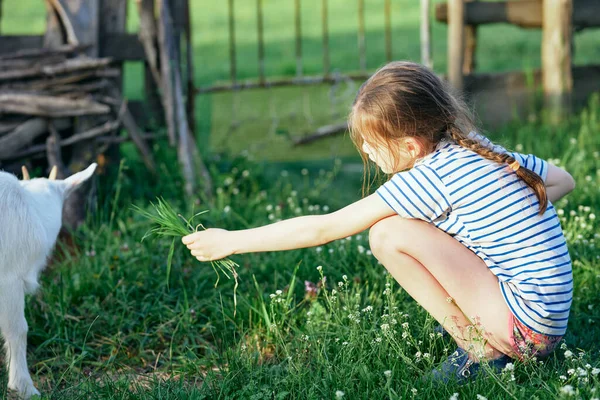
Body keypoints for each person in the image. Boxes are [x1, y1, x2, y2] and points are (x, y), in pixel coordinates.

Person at [182, 61, 576, 382]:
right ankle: (483, 327)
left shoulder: (427, 176)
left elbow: (322, 228)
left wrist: (232, 241)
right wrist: (502, 217)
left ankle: (479, 347)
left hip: (524, 330)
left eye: (372, 144)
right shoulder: (478, 150)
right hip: (547, 318)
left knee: (388, 234)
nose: (367, 153)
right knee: (418, 230)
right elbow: (564, 180)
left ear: (410, 146)